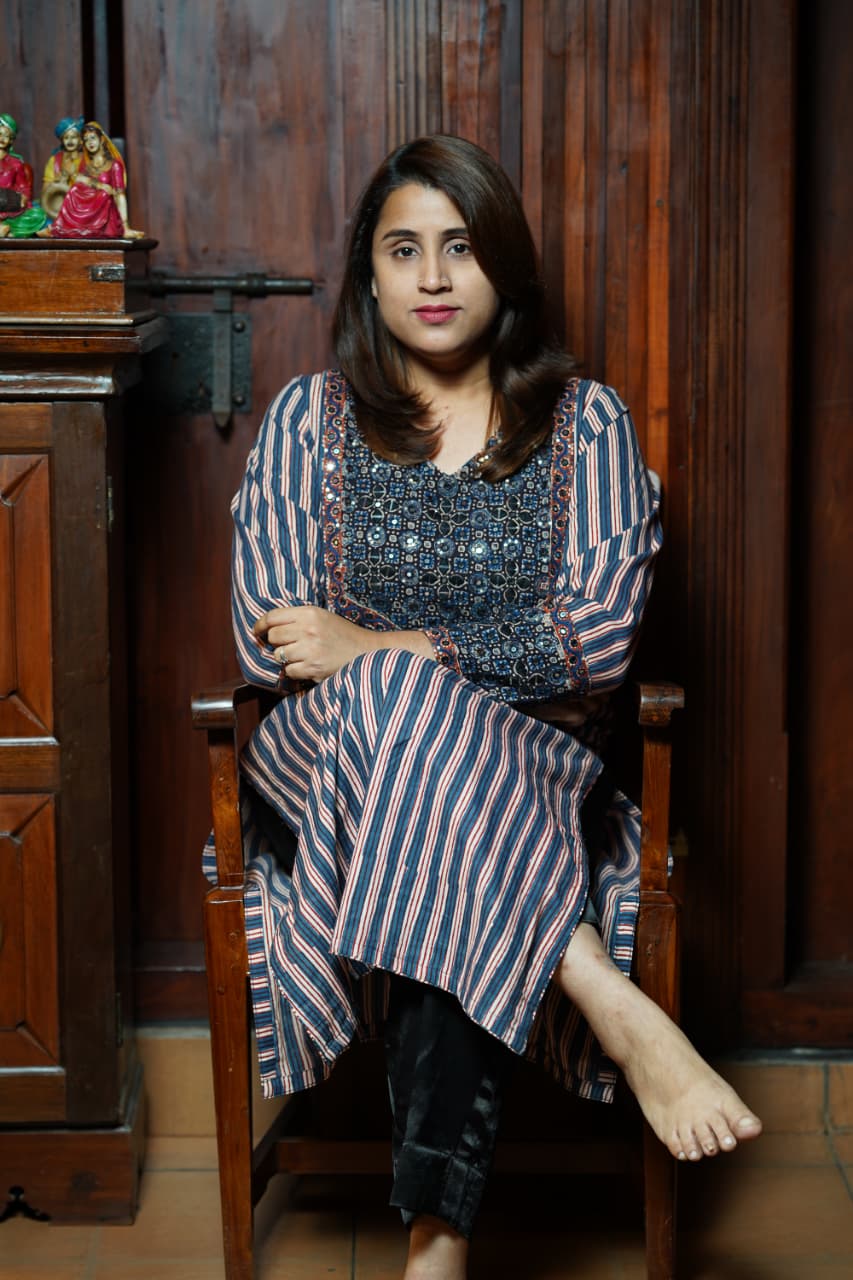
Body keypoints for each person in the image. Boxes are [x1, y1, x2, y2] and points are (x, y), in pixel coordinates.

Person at [213, 135, 761, 1279]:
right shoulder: (310, 419)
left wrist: (376, 646)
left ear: (502, 263)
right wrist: (394, 669)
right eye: (402, 249)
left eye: (460, 247)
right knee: (399, 721)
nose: (431, 276)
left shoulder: (584, 424)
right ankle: (594, 983)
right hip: (326, 768)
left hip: (529, 773)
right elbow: (272, 633)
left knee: (424, 793)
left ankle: (437, 1246)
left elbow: (597, 640)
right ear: (368, 275)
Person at [48, 121, 143, 239]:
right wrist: (98, 185)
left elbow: (120, 195)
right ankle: (63, 227)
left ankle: (90, 228)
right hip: (88, 208)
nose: (90, 142)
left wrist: (125, 226)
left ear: (101, 140)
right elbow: (78, 178)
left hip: (105, 212)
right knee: (75, 190)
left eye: (93, 138)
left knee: (104, 195)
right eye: (86, 140)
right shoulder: (87, 164)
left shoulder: (114, 165)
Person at [0, 112, 47, 237]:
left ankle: (8, 229)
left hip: (8, 205)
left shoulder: (16, 164)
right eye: (0, 134)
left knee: (38, 215)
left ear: (11, 140)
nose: (2, 138)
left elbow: (23, 187)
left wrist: (23, 198)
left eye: (6, 136)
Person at [40, 115, 85, 223]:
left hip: (80, 204)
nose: (70, 141)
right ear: (62, 140)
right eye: (66, 137)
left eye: (74, 137)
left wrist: (74, 177)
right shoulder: (54, 160)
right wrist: (55, 182)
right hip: (57, 205)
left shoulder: (86, 160)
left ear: (80, 140)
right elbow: (45, 189)